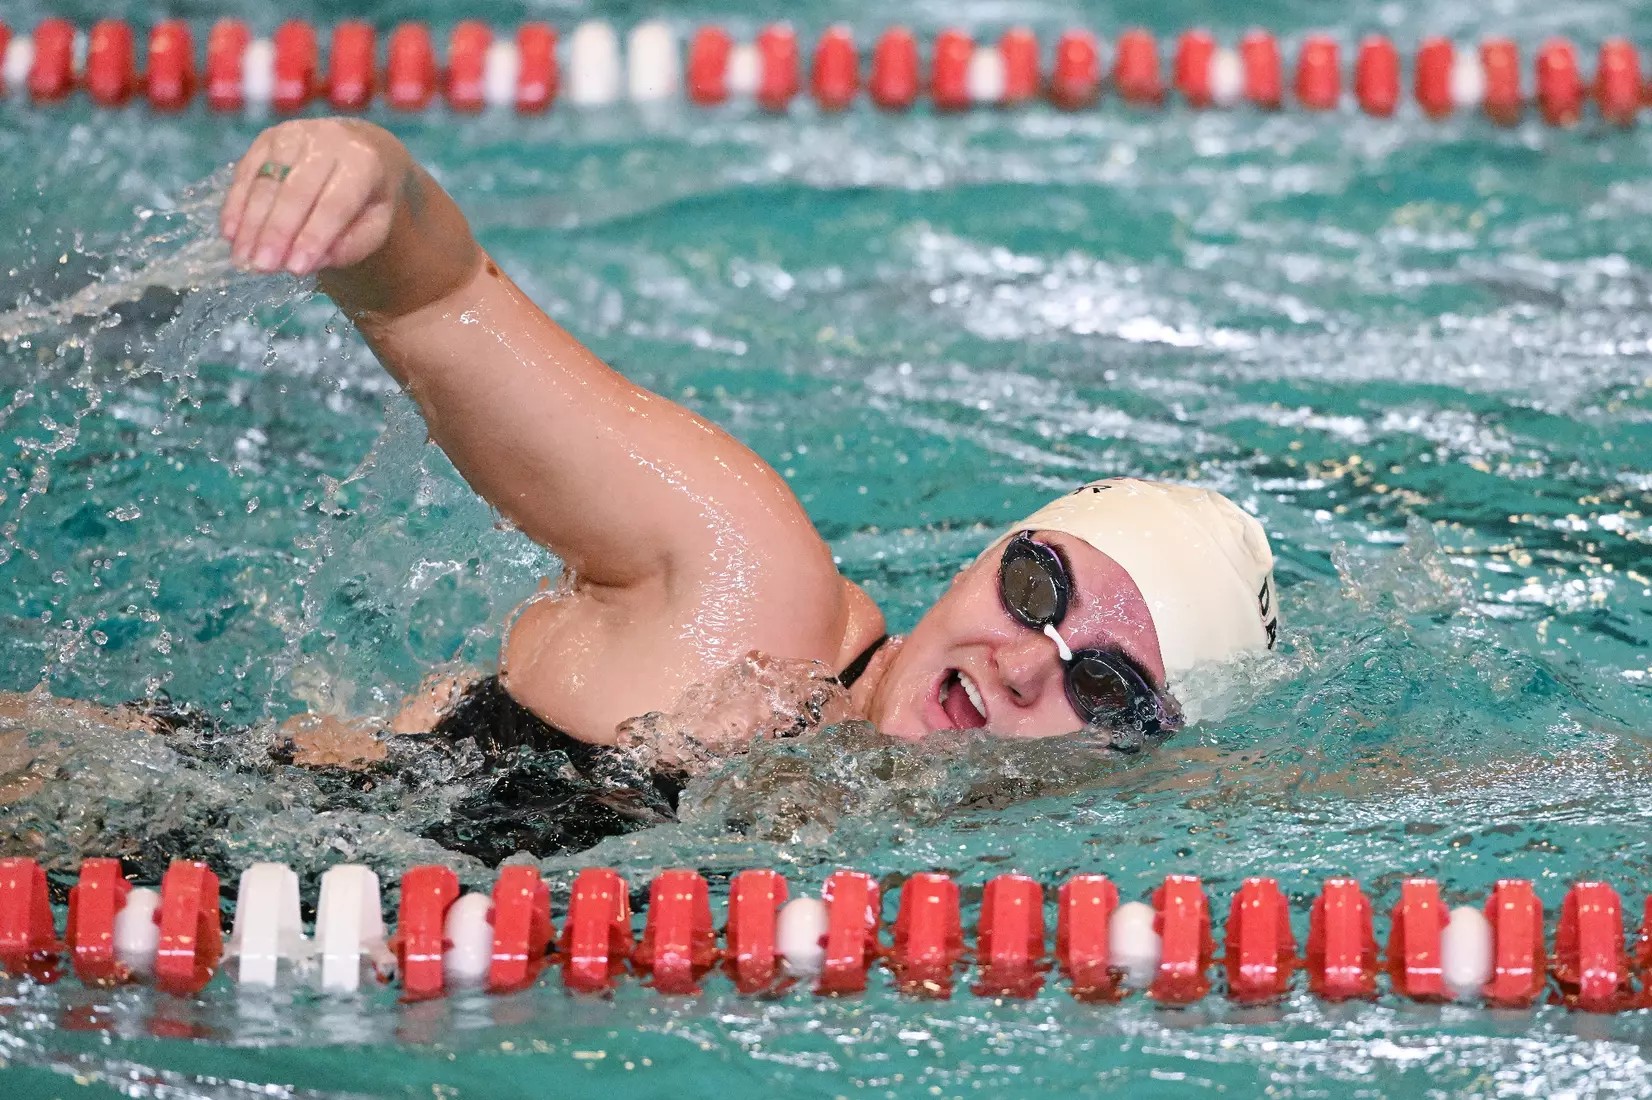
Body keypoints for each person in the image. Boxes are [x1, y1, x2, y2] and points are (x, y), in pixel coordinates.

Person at [4, 118, 1282, 865]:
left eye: (1103, 686)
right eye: (1036, 587)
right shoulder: (745, 593)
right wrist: (369, 185)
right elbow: (439, 298)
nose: (1021, 661)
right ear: (981, 558)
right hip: (100, 823)